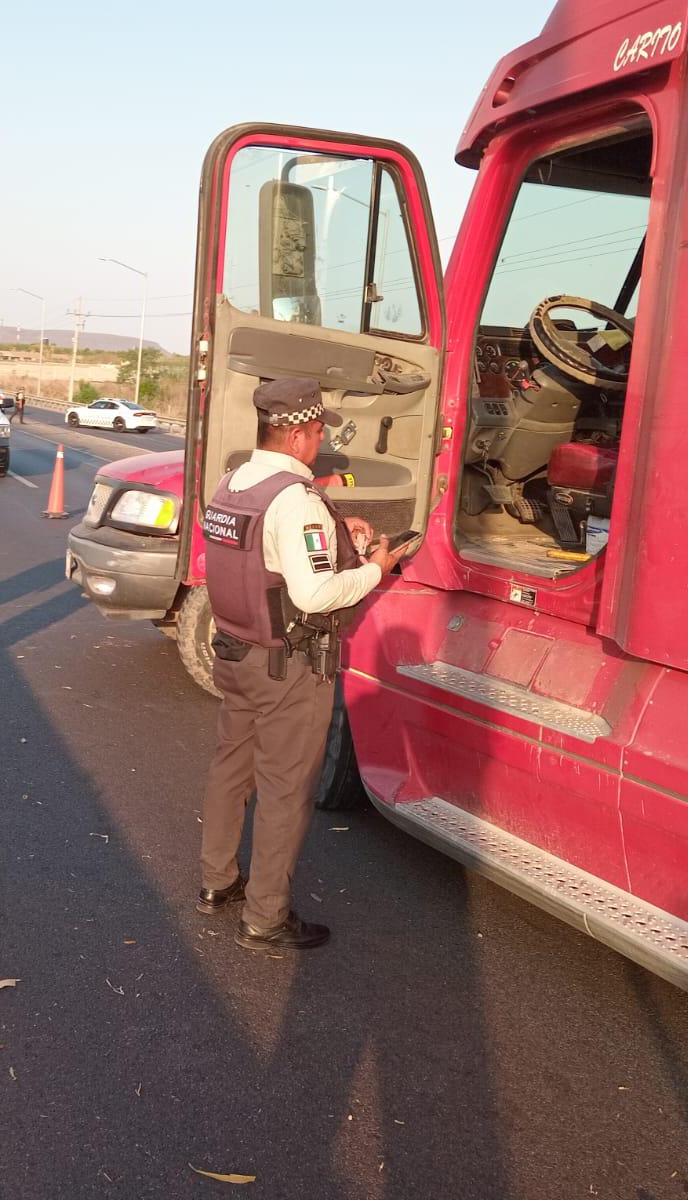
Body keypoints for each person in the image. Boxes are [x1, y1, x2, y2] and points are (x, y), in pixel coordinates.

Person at [196, 377, 410, 950]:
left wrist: (341, 533)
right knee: (285, 791)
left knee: (230, 769)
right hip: (286, 667)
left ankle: (218, 883)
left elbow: (259, 557)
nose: (320, 441)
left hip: (236, 653)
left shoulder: (232, 482)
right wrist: (375, 571)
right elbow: (314, 595)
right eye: (317, 431)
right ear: (295, 436)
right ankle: (264, 918)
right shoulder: (295, 500)